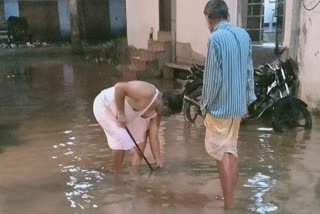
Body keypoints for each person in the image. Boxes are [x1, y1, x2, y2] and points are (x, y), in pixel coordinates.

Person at [201, 0, 256, 209]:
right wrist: (247, 102)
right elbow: (249, 71)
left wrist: (204, 105)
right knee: (231, 151)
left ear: (209, 17)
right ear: (227, 15)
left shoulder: (215, 38)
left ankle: (228, 206)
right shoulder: (243, 35)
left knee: (222, 153)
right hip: (237, 108)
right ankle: (230, 201)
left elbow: (212, 80)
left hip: (220, 108)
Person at [93, 81, 183, 173]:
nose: (168, 116)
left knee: (141, 138)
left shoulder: (157, 113)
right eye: (170, 112)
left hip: (128, 114)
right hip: (105, 106)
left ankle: (135, 169)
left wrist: (158, 160)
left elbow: (154, 137)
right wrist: (121, 113)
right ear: (165, 103)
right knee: (120, 138)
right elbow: (119, 87)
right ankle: (116, 174)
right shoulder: (147, 91)